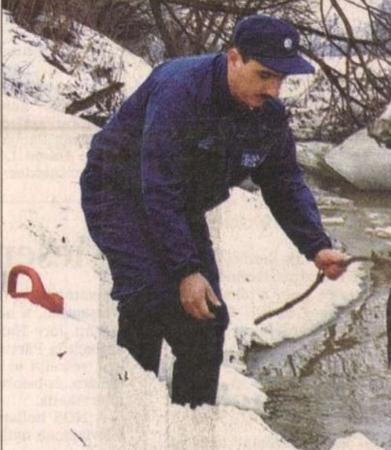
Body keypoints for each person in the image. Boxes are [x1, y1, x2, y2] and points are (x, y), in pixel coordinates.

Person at [80, 15, 348, 407]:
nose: (273, 89)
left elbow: (284, 181)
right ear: (234, 58)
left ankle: (194, 423)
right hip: (118, 191)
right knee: (149, 299)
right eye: (264, 75)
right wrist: (186, 269)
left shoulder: (267, 113)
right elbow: (158, 185)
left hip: (179, 203)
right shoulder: (181, 91)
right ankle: (127, 415)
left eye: (282, 79)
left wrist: (316, 245)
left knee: (207, 319)